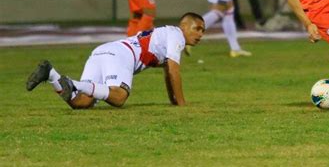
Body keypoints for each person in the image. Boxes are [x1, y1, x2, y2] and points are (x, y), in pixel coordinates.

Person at [25, 12, 205, 108]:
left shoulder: (167, 36)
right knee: (119, 97)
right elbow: (174, 71)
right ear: (183, 26)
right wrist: (182, 104)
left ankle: (52, 75)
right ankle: (73, 83)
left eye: (203, 31)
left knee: (81, 102)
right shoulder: (176, 35)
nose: (200, 34)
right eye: (197, 28)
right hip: (121, 54)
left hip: (103, 50)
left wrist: (173, 100)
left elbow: (168, 72)